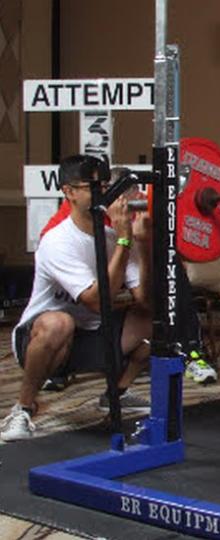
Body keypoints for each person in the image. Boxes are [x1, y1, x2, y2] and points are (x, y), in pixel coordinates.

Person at [1, 155, 153, 443]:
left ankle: (115, 394)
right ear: (68, 191)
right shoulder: (58, 241)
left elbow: (143, 299)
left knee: (151, 320)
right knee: (60, 322)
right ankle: (21, 409)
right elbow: (96, 301)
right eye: (92, 188)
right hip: (41, 340)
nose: (103, 194)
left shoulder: (114, 235)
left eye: (106, 186)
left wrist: (142, 244)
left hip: (92, 335)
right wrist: (123, 241)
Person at [36, 168, 218, 386]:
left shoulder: (138, 204)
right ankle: (54, 369)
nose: (132, 204)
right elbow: (61, 261)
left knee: (171, 270)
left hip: (121, 261)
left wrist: (141, 241)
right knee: (61, 316)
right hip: (84, 275)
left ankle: (191, 352)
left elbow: (148, 264)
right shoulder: (68, 222)